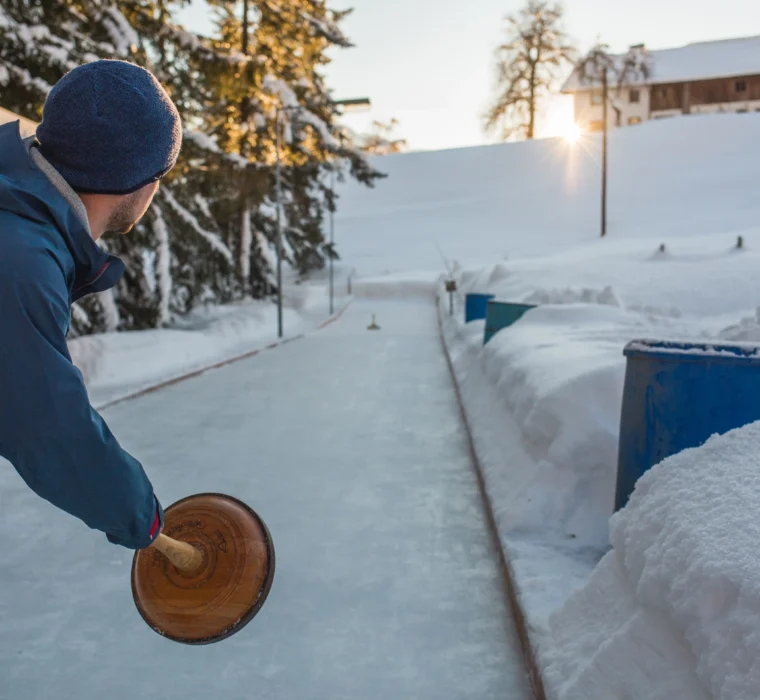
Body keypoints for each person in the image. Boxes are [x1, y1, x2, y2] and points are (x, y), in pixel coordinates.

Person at [0, 60, 182, 548]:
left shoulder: (20, 222)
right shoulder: (21, 255)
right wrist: (136, 513)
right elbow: (45, 424)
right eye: (159, 173)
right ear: (134, 177)